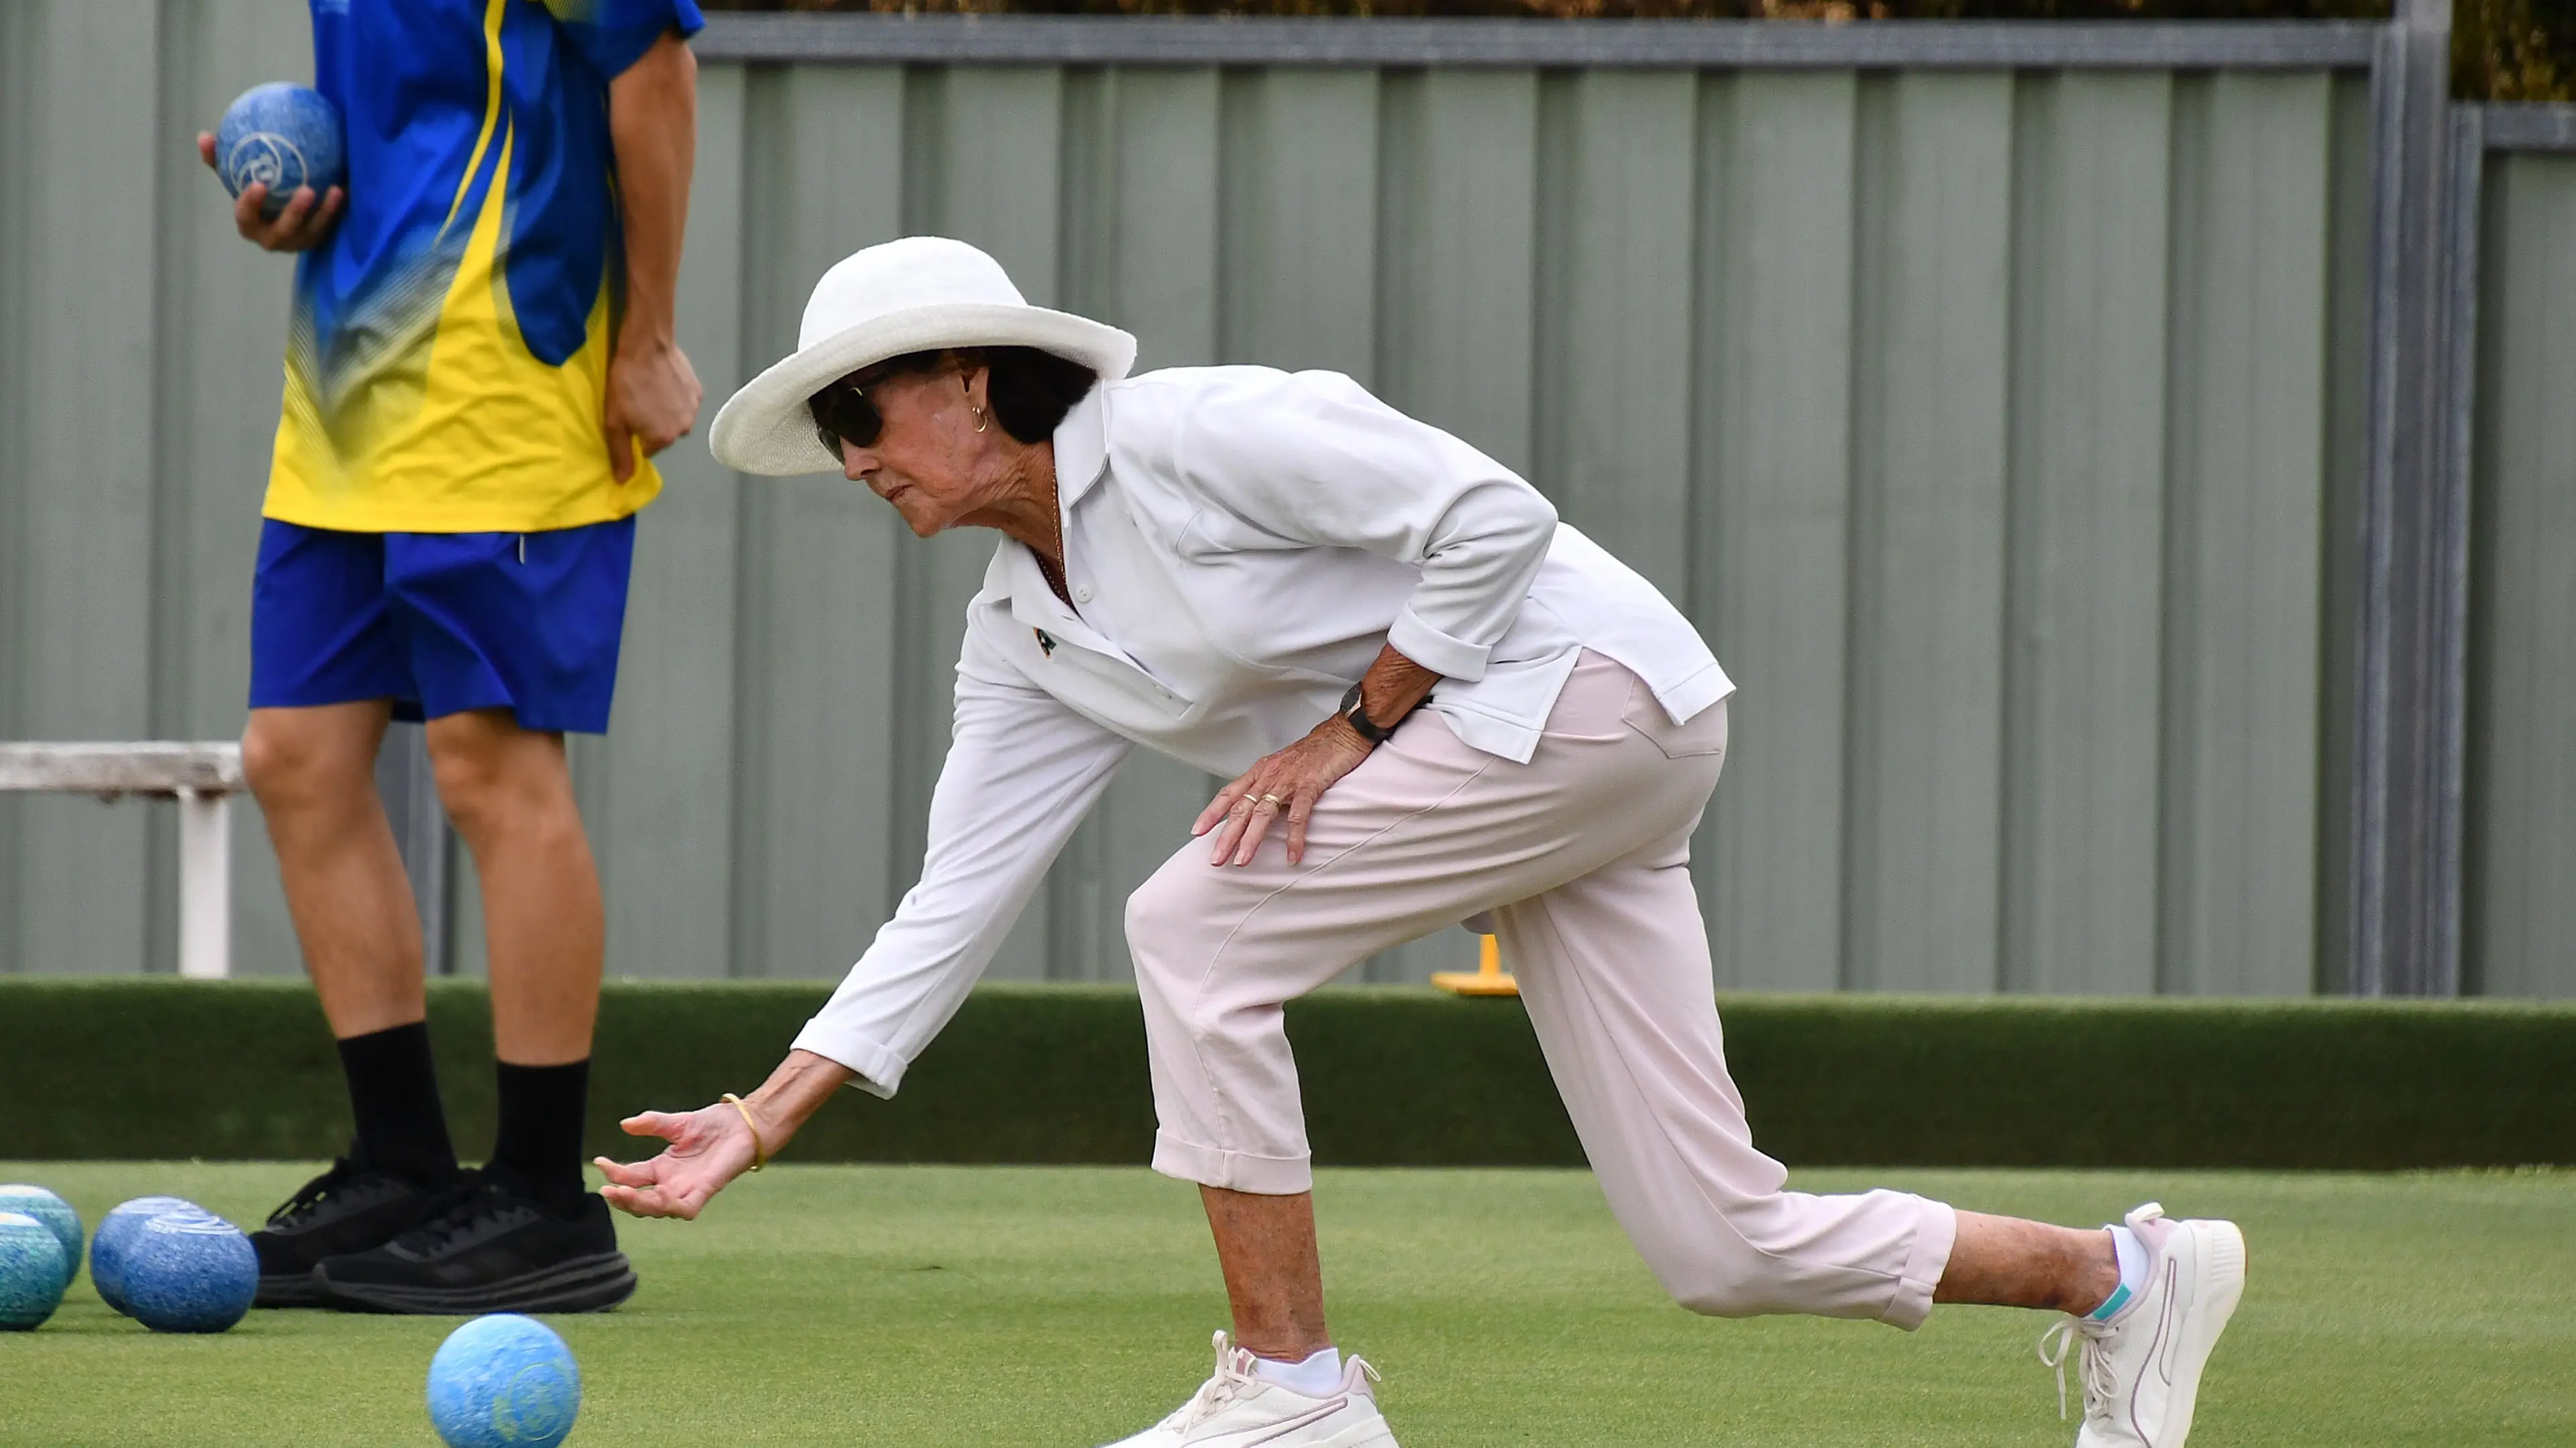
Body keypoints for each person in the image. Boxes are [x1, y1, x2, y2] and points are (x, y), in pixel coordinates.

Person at [598, 237, 2247, 1447]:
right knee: (1719, 1245)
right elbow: (949, 902)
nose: (850, 456)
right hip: (1553, 770)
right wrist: (762, 1113)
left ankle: (1294, 1387)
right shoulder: (1021, 628)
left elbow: (1491, 514)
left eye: (863, 411)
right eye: (831, 432)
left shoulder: (1190, 430)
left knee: (1193, 923)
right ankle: (2123, 1275)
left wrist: (1354, 723)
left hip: (1592, 694)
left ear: (968, 376)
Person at [205, 0, 704, 1314]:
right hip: (343, 369)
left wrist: (645, 335)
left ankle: (545, 1194)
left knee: (491, 761)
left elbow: (653, 66)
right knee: (296, 756)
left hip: (507, 369)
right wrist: (300, 194)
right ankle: (404, 1162)